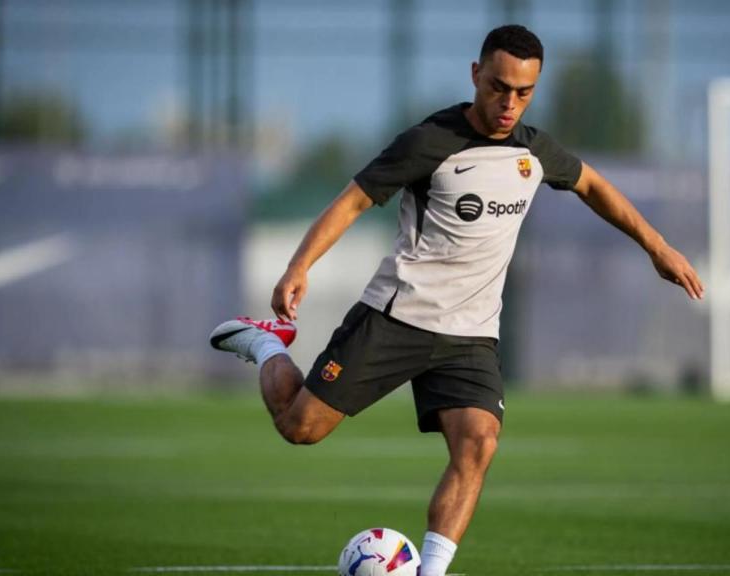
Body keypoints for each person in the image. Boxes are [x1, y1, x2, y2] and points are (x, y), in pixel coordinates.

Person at [210, 24, 704, 576]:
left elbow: (593, 185)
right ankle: (265, 344)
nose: (509, 103)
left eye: (524, 92)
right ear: (475, 75)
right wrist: (299, 266)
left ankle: (432, 572)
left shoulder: (534, 150)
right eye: (498, 87)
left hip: (471, 335)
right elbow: (352, 202)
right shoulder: (429, 142)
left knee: (479, 443)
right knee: (300, 428)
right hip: (396, 317)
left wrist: (657, 247)